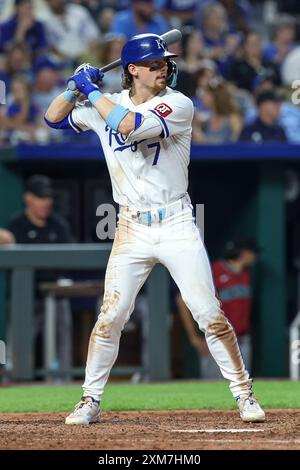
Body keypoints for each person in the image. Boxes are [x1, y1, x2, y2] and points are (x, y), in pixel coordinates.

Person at [44, 32, 265, 425]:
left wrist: (91, 93)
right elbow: (53, 118)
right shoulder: (105, 104)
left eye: (164, 62)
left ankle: (244, 394)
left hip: (177, 220)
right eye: (154, 64)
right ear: (132, 70)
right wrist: (74, 86)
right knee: (110, 316)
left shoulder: (178, 104)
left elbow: (128, 125)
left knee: (208, 313)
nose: (163, 68)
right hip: (130, 225)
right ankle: (89, 399)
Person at [0, 175, 74, 371]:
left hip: (56, 295)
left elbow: (71, 258)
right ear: (28, 198)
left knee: (62, 340)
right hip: (26, 298)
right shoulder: (16, 225)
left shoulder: (58, 225)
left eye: (48, 197)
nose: (45, 202)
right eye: (40, 197)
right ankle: (11, 376)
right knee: (18, 344)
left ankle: (63, 379)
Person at [177, 238, 259, 378]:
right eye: (253, 252)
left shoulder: (246, 275)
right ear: (244, 253)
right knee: (215, 389)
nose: (255, 256)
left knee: (242, 388)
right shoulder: (215, 270)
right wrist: (194, 337)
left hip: (242, 340)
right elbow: (182, 300)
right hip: (219, 339)